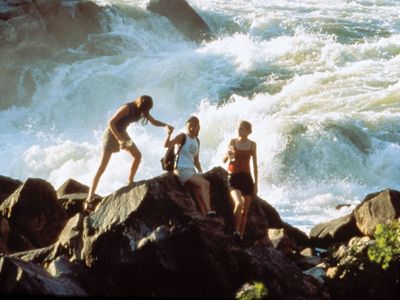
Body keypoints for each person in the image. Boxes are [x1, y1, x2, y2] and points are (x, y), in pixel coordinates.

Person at [84, 95, 174, 214]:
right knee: (102, 167)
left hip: (123, 135)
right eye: (146, 109)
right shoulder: (127, 108)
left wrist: (165, 125)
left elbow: (154, 121)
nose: (146, 112)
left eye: (147, 110)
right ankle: (89, 198)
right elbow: (111, 123)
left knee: (137, 155)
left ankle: (130, 181)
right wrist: (120, 139)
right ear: (140, 104)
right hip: (112, 135)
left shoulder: (143, 110)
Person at [164, 116, 216, 217]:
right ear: (186, 127)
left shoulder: (197, 141)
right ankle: (209, 210)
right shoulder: (182, 137)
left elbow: (196, 160)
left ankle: (205, 217)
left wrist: (201, 172)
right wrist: (169, 134)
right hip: (181, 169)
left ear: (198, 127)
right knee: (206, 184)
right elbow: (167, 145)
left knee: (198, 193)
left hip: (191, 170)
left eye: (194, 126)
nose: (191, 128)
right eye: (189, 126)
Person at [223, 120, 258, 242]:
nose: (239, 130)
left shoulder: (252, 145)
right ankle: (236, 231)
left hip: (247, 179)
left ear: (248, 131)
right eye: (238, 128)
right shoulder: (233, 142)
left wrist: (256, 185)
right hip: (233, 177)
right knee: (239, 204)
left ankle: (241, 237)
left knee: (245, 211)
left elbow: (255, 165)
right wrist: (228, 154)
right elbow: (224, 160)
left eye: (242, 128)